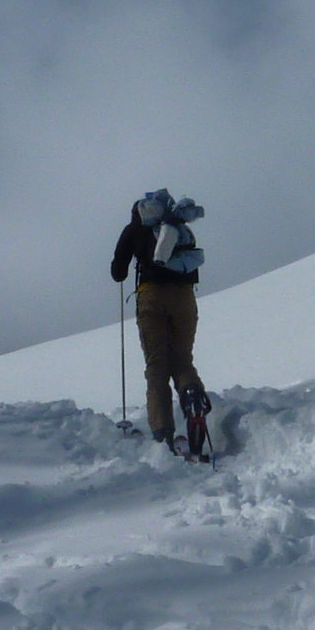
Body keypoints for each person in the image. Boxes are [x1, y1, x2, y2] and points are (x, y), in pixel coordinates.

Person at [111, 191, 204, 453]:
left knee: (157, 367)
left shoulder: (133, 229)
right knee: (182, 360)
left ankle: (163, 435)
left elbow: (118, 271)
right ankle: (193, 399)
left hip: (151, 297)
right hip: (184, 297)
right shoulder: (177, 226)